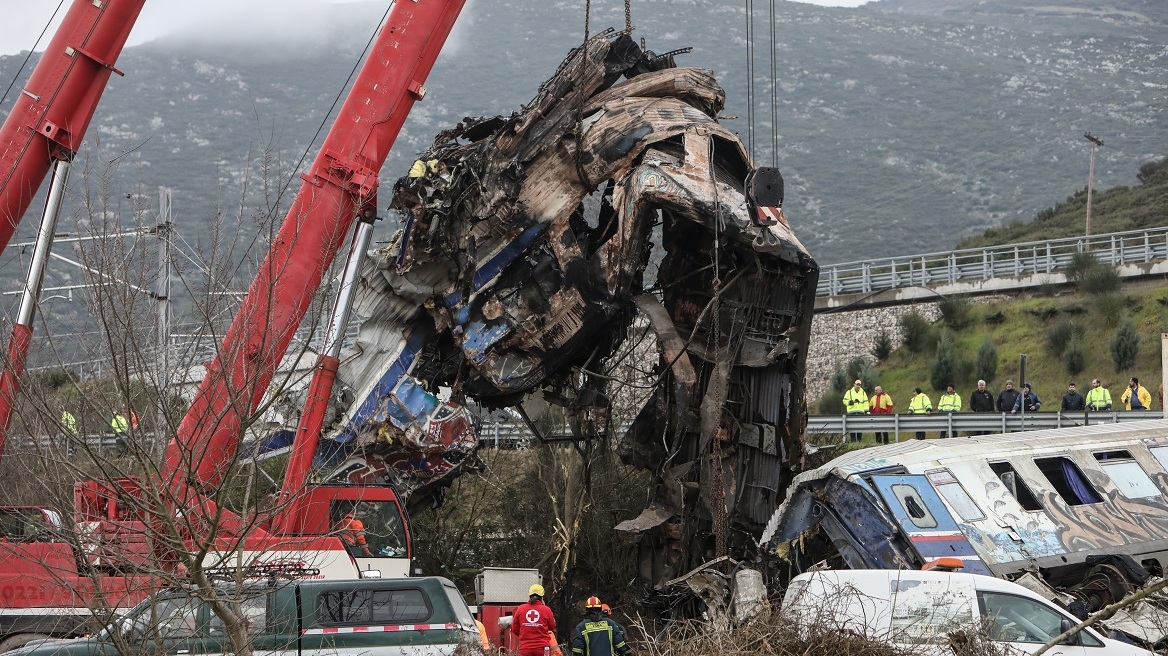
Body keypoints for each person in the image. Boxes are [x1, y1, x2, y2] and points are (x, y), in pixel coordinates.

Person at [512, 584, 556, 656]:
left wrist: (525, 633)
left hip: (525, 648)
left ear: (530, 595)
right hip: (542, 649)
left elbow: (515, 629)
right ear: (542, 597)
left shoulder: (520, 609)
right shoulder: (546, 610)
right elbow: (552, 626)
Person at [842, 379, 869, 443]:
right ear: (854, 384)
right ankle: (853, 441)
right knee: (852, 428)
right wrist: (850, 402)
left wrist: (866, 411)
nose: (858, 386)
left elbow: (866, 402)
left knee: (860, 427)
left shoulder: (863, 392)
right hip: (852, 412)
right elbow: (844, 401)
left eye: (859, 384)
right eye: (857, 384)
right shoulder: (849, 392)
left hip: (860, 412)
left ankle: (859, 441)